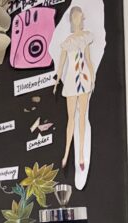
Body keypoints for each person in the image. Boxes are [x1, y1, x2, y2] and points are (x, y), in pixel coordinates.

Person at [54, 6, 95, 171]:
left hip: (84, 79)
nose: (78, 19)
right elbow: (61, 64)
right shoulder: (67, 42)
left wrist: (92, 76)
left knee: (82, 117)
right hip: (71, 81)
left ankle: (81, 155)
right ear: (72, 19)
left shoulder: (85, 37)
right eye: (75, 17)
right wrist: (57, 81)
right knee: (71, 118)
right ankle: (66, 153)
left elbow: (88, 59)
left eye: (79, 17)